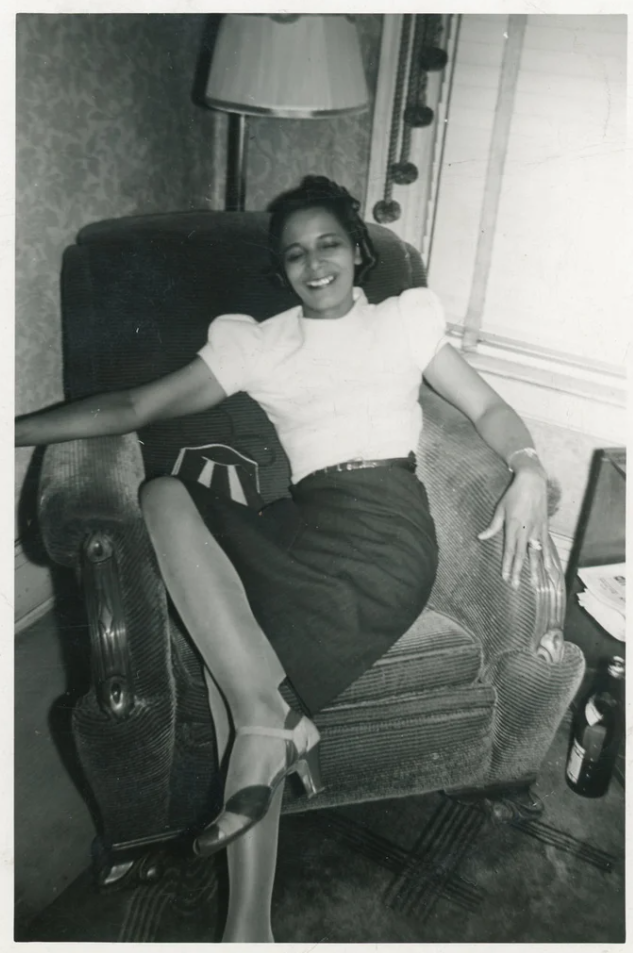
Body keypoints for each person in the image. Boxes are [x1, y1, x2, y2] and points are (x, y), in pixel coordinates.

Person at [15, 175, 554, 942]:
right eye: (295, 252)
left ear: (358, 251)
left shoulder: (405, 321)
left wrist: (527, 464)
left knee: (240, 688)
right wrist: (13, 428)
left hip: (384, 532)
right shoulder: (262, 342)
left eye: (328, 243)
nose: (314, 262)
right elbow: (136, 407)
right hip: (301, 520)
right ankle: (270, 753)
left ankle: (246, 912)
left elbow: (488, 407)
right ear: (282, 268)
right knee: (166, 495)